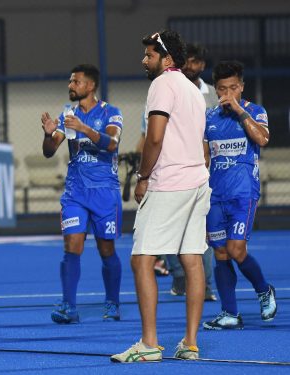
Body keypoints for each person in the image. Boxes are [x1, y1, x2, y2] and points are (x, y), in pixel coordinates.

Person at [112, 30, 210, 363]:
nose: (144, 60)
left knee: (142, 258)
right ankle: (191, 343)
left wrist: (142, 177)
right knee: (192, 259)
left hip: (169, 183)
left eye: (149, 55)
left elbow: (154, 138)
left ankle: (149, 343)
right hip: (197, 181)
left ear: (167, 59)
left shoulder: (162, 85)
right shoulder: (194, 89)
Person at [40, 64, 123, 324]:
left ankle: (112, 303)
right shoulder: (68, 114)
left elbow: (111, 144)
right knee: (71, 246)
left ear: (90, 86)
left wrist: (85, 129)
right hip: (75, 192)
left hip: (104, 192)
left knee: (106, 248)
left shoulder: (112, 113)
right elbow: (50, 151)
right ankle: (69, 306)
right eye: (70, 81)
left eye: (75, 82)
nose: (70, 86)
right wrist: (48, 135)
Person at [202, 60, 276, 330]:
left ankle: (263, 290)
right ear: (216, 90)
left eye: (233, 88)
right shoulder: (209, 117)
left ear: (241, 87)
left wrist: (239, 112)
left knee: (236, 249)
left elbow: (263, 139)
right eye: (223, 89)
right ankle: (230, 313)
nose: (228, 94)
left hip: (243, 193)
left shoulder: (255, 111)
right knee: (220, 252)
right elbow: (204, 158)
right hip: (215, 195)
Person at [161, 43, 219, 300]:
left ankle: (204, 285)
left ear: (202, 66)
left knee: (201, 229)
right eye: (186, 61)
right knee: (168, 226)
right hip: (172, 168)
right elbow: (152, 131)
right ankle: (179, 275)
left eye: (195, 61)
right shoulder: (166, 89)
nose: (189, 66)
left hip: (203, 170)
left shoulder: (213, 96)